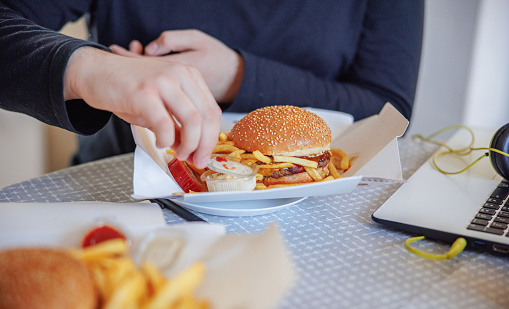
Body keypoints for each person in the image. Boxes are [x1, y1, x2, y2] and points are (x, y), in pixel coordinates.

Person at [0, 1, 424, 167]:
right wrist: (90, 68)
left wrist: (237, 75)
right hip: (126, 178)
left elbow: (388, 111)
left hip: (323, 199)